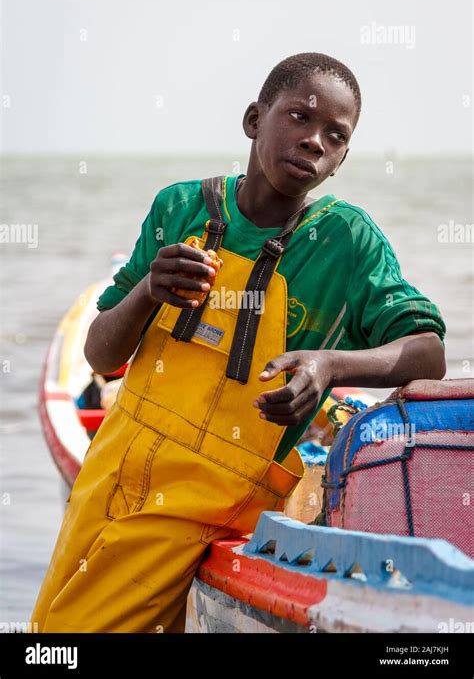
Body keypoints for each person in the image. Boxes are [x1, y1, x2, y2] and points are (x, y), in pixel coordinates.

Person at [30, 52, 446, 633]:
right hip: (114, 473)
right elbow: (101, 356)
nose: (313, 141)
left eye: (334, 134)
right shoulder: (179, 209)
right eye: (298, 117)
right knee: (50, 626)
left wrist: (329, 364)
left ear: (342, 159)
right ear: (254, 119)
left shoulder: (347, 242)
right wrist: (149, 288)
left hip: (223, 500)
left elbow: (427, 350)